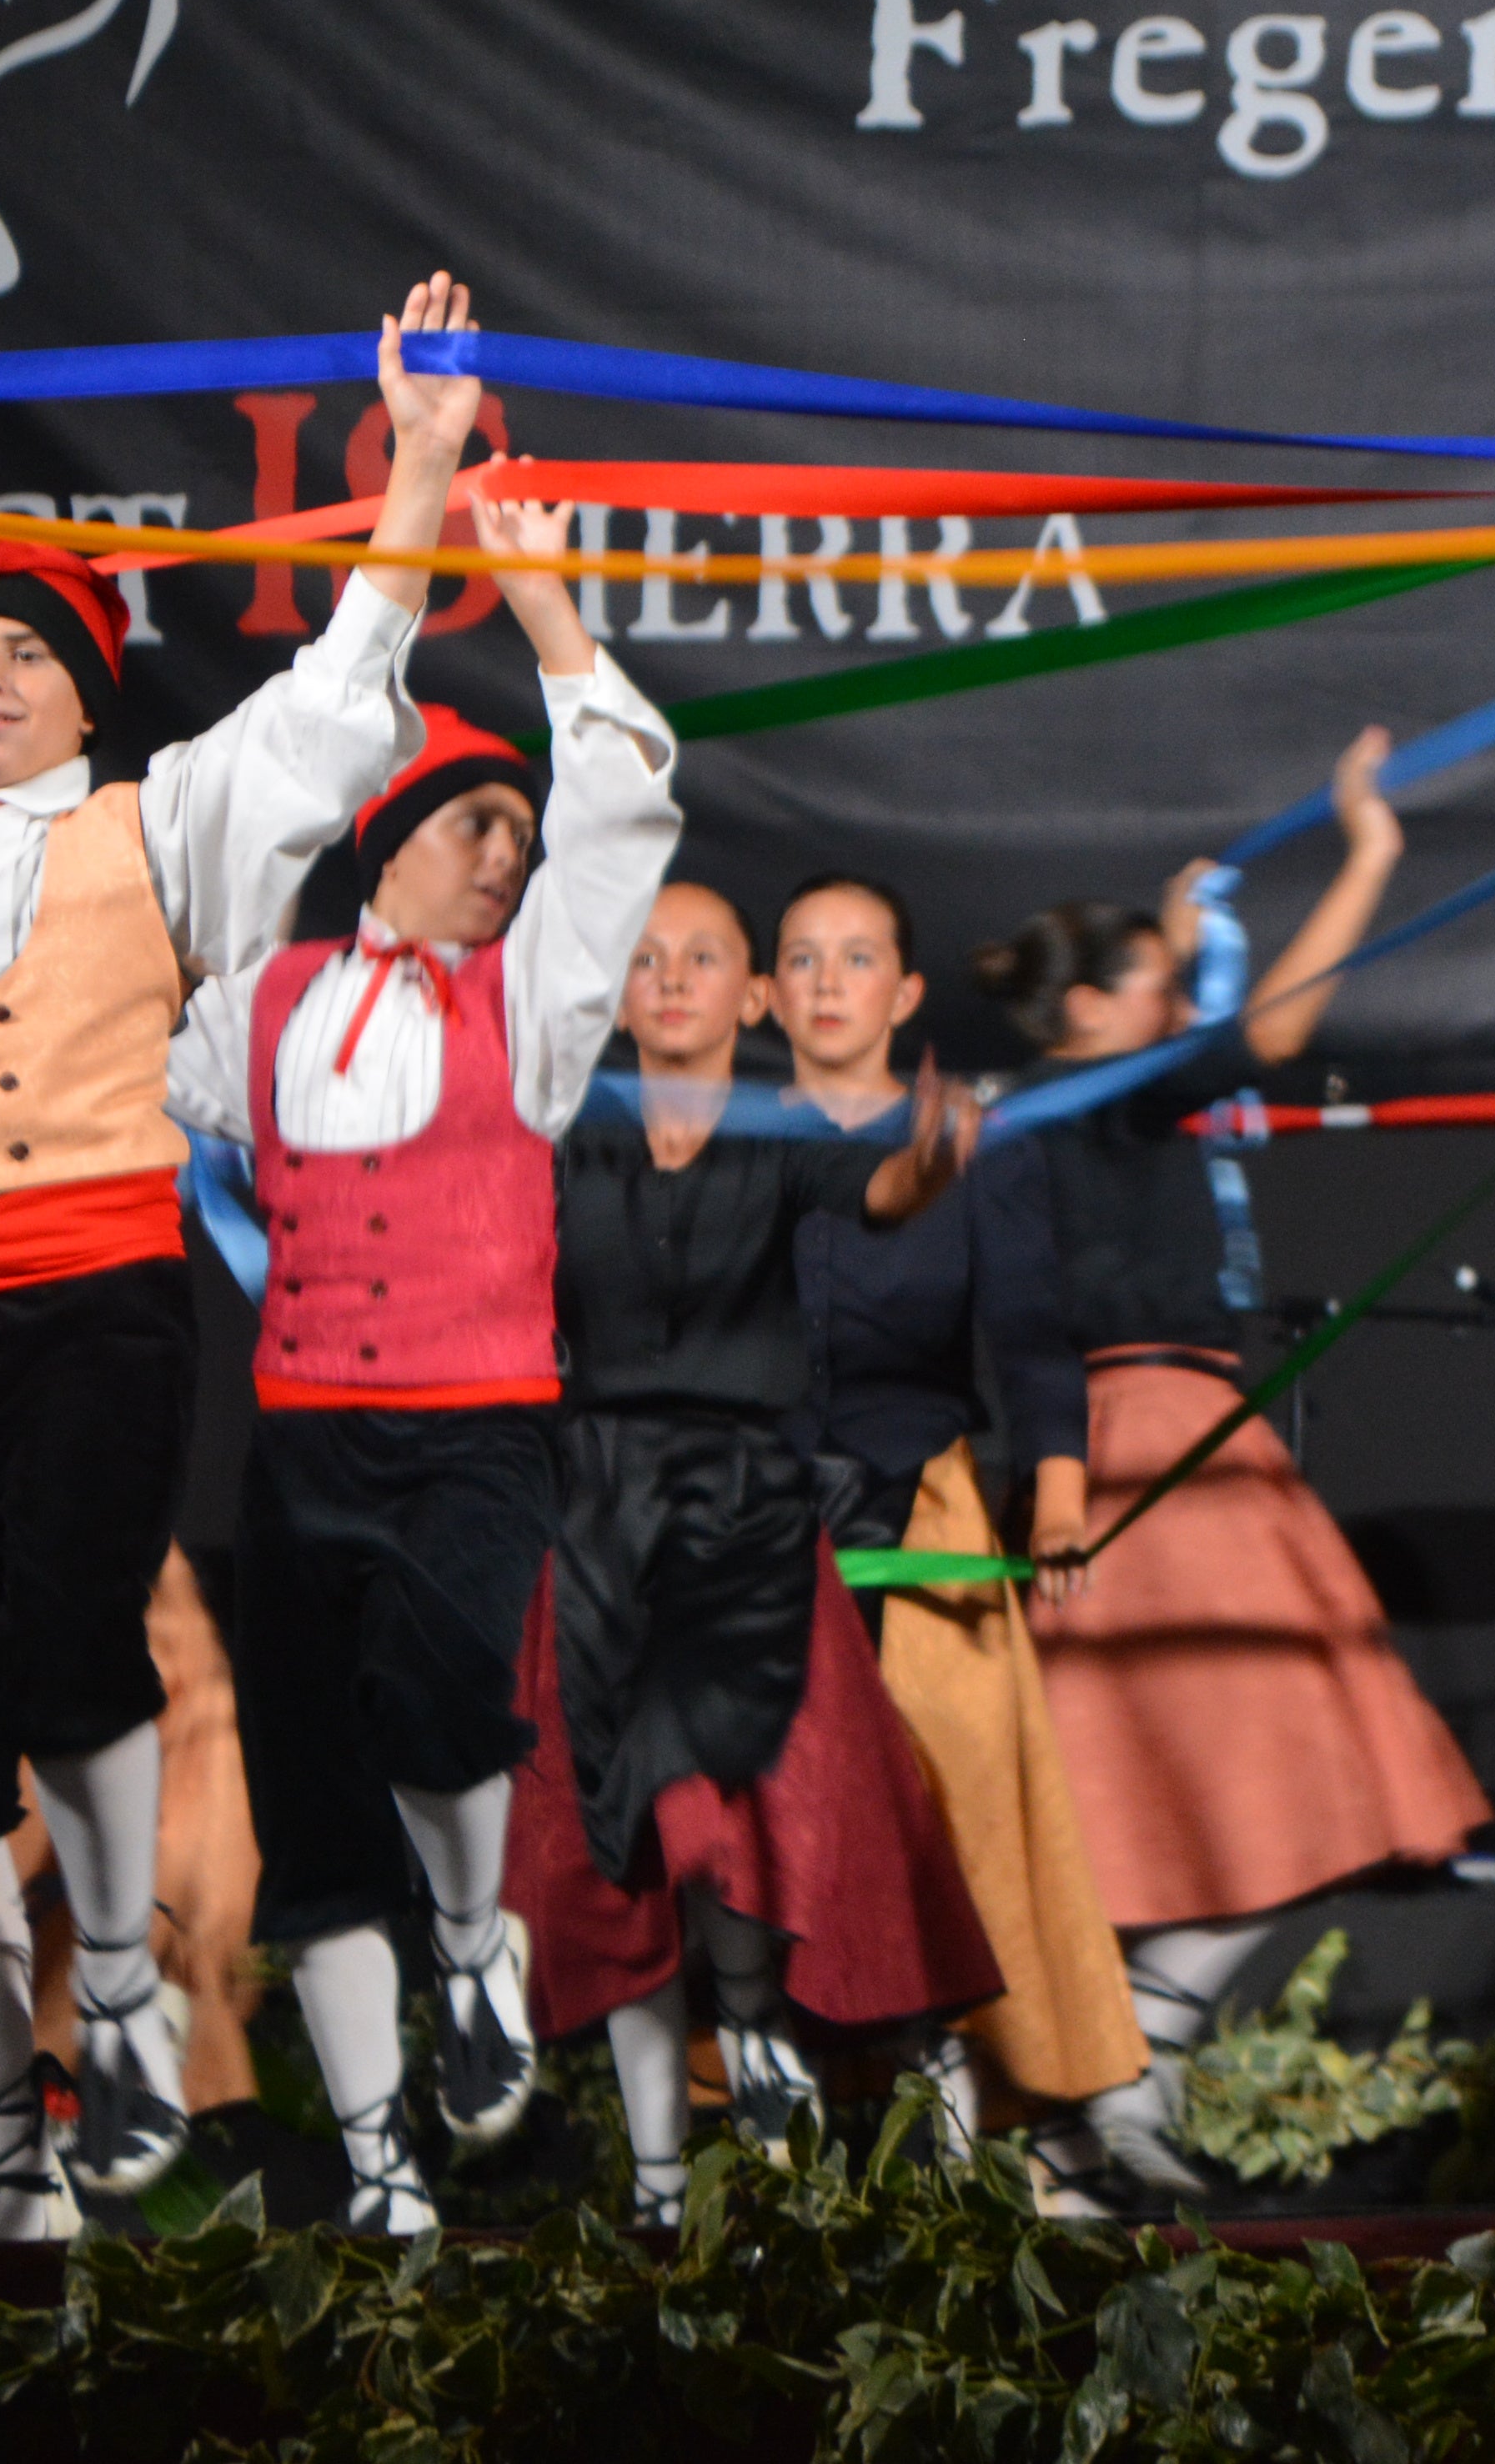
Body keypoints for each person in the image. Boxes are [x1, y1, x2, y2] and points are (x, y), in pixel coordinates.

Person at [0, 282, 481, 2237]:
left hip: (97, 1291)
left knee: (74, 1648)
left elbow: (337, 693)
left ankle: (123, 1993)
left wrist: (407, 461)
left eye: (16, 653)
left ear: (81, 689)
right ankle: (0, 2144)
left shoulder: (160, 821)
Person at [166, 490, 677, 2233]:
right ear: (385, 836)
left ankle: (472, 1943)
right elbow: (105, 1038)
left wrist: (541, 605)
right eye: (476, 822)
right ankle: (381, 2167)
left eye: (513, 834)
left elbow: (617, 810)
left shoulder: (527, 1009)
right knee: (313, 1807)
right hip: (303, 1437)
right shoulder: (264, 1001)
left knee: (456, 1701)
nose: (508, 853)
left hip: (475, 1429)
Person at [978, 734, 1494, 2204]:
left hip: (1188, 1443)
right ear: (1089, 1012)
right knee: (1209, 1788)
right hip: (1143, 1455)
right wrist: (1371, 853)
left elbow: (1212, 1040)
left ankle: (1131, 2056)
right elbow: (1262, 1036)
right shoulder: (1074, 1106)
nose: (1175, 1003)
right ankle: (1108, 2081)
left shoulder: (1077, 1101)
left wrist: (1183, 943)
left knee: (1276, 1790)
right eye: (1148, 983)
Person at [505, 880, 1001, 2225]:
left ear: (753, 997)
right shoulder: (562, 1133)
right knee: (627, 1875)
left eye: (705, 957)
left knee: (745, 1860)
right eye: (646, 957)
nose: (671, 979)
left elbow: (884, 1187)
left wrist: (929, 1166)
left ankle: (772, 2167)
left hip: (747, 1526)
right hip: (601, 1520)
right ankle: (663, 2186)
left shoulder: (789, 1135)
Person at [770, 873, 1147, 2138]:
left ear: (907, 991)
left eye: (858, 957)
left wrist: (1056, 1507)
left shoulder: (988, 1148)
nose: (829, 983)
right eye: (805, 960)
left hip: (920, 1502)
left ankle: (951, 2075)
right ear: (767, 993)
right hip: (753, 1516)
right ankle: (778, 2094)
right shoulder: (717, 1138)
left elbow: (1035, 1345)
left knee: (952, 1777)